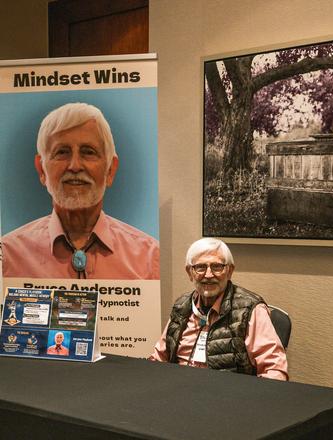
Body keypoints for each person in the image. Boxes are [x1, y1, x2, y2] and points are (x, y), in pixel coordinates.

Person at [1, 103, 159, 280]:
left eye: (88, 152)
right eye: (62, 152)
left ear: (110, 170)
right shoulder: (8, 256)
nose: (75, 166)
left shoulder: (150, 259)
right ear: (41, 170)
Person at [149, 238, 288, 380]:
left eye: (217, 267)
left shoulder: (251, 309)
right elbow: (159, 359)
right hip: (180, 386)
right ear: (190, 272)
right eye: (200, 267)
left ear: (230, 271)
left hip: (228, 391)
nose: (208, 275)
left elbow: (274, 370)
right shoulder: (181, 306)